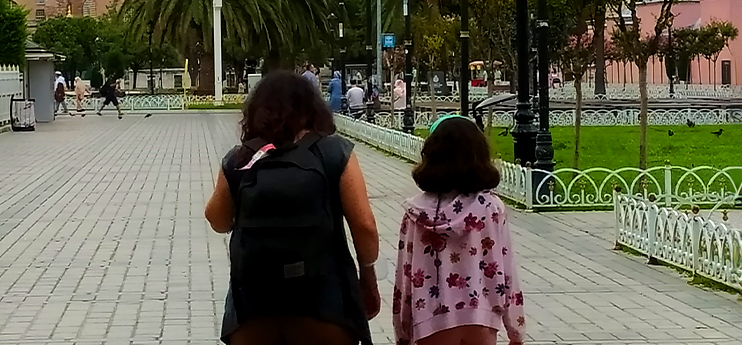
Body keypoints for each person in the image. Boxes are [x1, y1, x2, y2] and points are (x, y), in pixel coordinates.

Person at [204, 70, 381, 345]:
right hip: (325, 306)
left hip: (254, 310)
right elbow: (365, 226)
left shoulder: (241, 159)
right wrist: (367, 278)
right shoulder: (334, 152)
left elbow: (217, 221)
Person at [393, 115, 525, 345]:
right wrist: (515, 328)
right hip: (481, 318)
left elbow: (405, 277)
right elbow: (506, 268)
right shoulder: (490, 208)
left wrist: (402, 331)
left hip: (430, 322)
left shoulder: (416, 213)